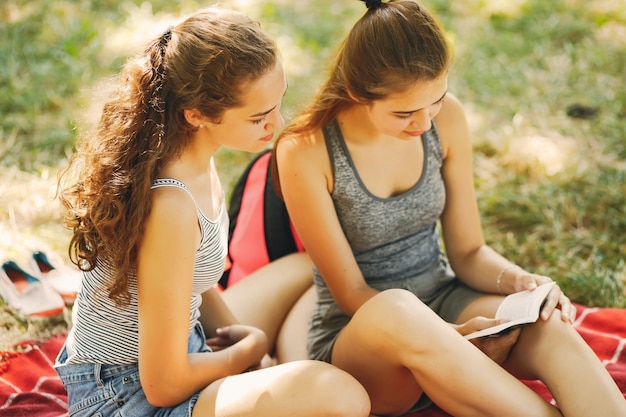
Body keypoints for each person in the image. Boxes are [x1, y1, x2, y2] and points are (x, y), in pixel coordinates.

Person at [272, 1, 626, 416]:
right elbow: (351, 294)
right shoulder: (305, 150)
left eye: (434, 101)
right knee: (396, 308)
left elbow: (468, 252)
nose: (423, 124)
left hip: (444, 296)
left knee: (550, 326)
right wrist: (447, 336)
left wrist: (522, 282)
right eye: (403, 113)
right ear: (356, 92)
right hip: (365, 339)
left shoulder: (449, 118)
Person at [55, 8, 370, 417]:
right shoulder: (171, 205)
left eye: (278, 103)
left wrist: (242, 344)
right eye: (258, 117)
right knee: (339, 396)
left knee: (307, 269)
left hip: (181, 348)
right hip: (124, 395)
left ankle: (282, 370)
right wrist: (249, 351)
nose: (277, 123)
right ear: (197, 115)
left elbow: (193, 283)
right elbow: (163, 385)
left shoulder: (196, 155)